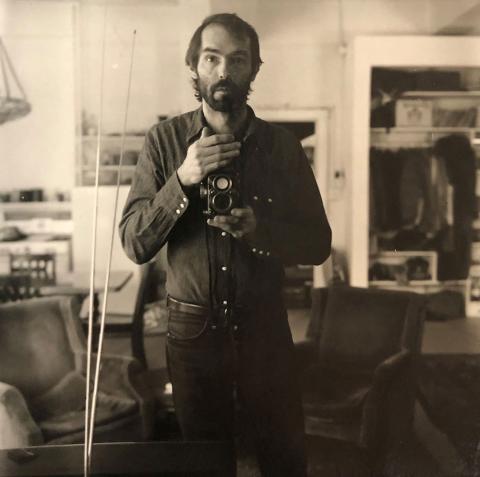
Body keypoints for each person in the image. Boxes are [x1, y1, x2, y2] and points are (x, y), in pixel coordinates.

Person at [119, 12, 331, 476]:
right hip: (191, 332)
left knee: (283, 455)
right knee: (203, 459)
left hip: (264, 328)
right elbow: (134, 243)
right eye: (211, 58)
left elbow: (318, 245)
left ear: (255, 68)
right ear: (193, 65)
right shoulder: (164, 142)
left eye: (238, 60)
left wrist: (261, 230)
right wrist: (182, 179)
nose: (223, 71)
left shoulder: (282, 148)